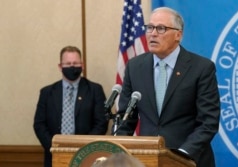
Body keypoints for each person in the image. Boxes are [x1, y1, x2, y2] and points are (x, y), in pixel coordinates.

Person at [115, 7, 220, 167]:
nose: (153, 33)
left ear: (178, 35)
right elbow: (126, 118)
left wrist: (181, 155)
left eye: (161, 28)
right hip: (146, 160)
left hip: (189, 160)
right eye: (150, 27)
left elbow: (208, 122)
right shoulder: (135, 67)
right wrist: (117, 153)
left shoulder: (201, 68)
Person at [33, 46, 108, 167]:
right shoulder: (47, 92)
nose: (72, 67)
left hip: (86, 157)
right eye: (68, 64)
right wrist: (54, 147)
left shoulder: (95, 90)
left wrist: (84, 148)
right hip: (54, 157)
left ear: (82, 65)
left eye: (75, 63)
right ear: (60, 66)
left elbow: (101, 123)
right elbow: (39, 124)